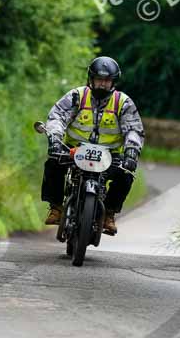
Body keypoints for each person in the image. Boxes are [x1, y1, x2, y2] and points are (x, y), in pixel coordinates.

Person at [41, 56, 144, 235]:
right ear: (91, 79)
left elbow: (133, 129)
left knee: (126, 175)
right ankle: (56, 208)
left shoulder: (123, 103)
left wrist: (131, 152)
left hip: (110, 156)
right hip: (74, 151)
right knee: (53, 164)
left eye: (107, 81)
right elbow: (57, 116)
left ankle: (109, 214)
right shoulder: (77, 96)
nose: (102, 85)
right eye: (99, 80)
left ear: (113, 82)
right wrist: (55, 139)